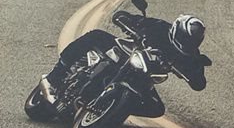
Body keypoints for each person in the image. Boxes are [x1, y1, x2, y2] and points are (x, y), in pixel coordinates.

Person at [41, 11, 210, 101]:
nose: (184, 43)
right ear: (176, 29)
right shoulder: (160, 27)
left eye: (189, 42)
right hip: (127, 52)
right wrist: (127, 21)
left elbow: (199, 84)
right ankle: (55, 76)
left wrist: (195, 71)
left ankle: (115, 107)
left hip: (144, 74)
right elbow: (123, 16)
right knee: (95, 36)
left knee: (156, 107)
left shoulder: (191, 54)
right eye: (183, 38)